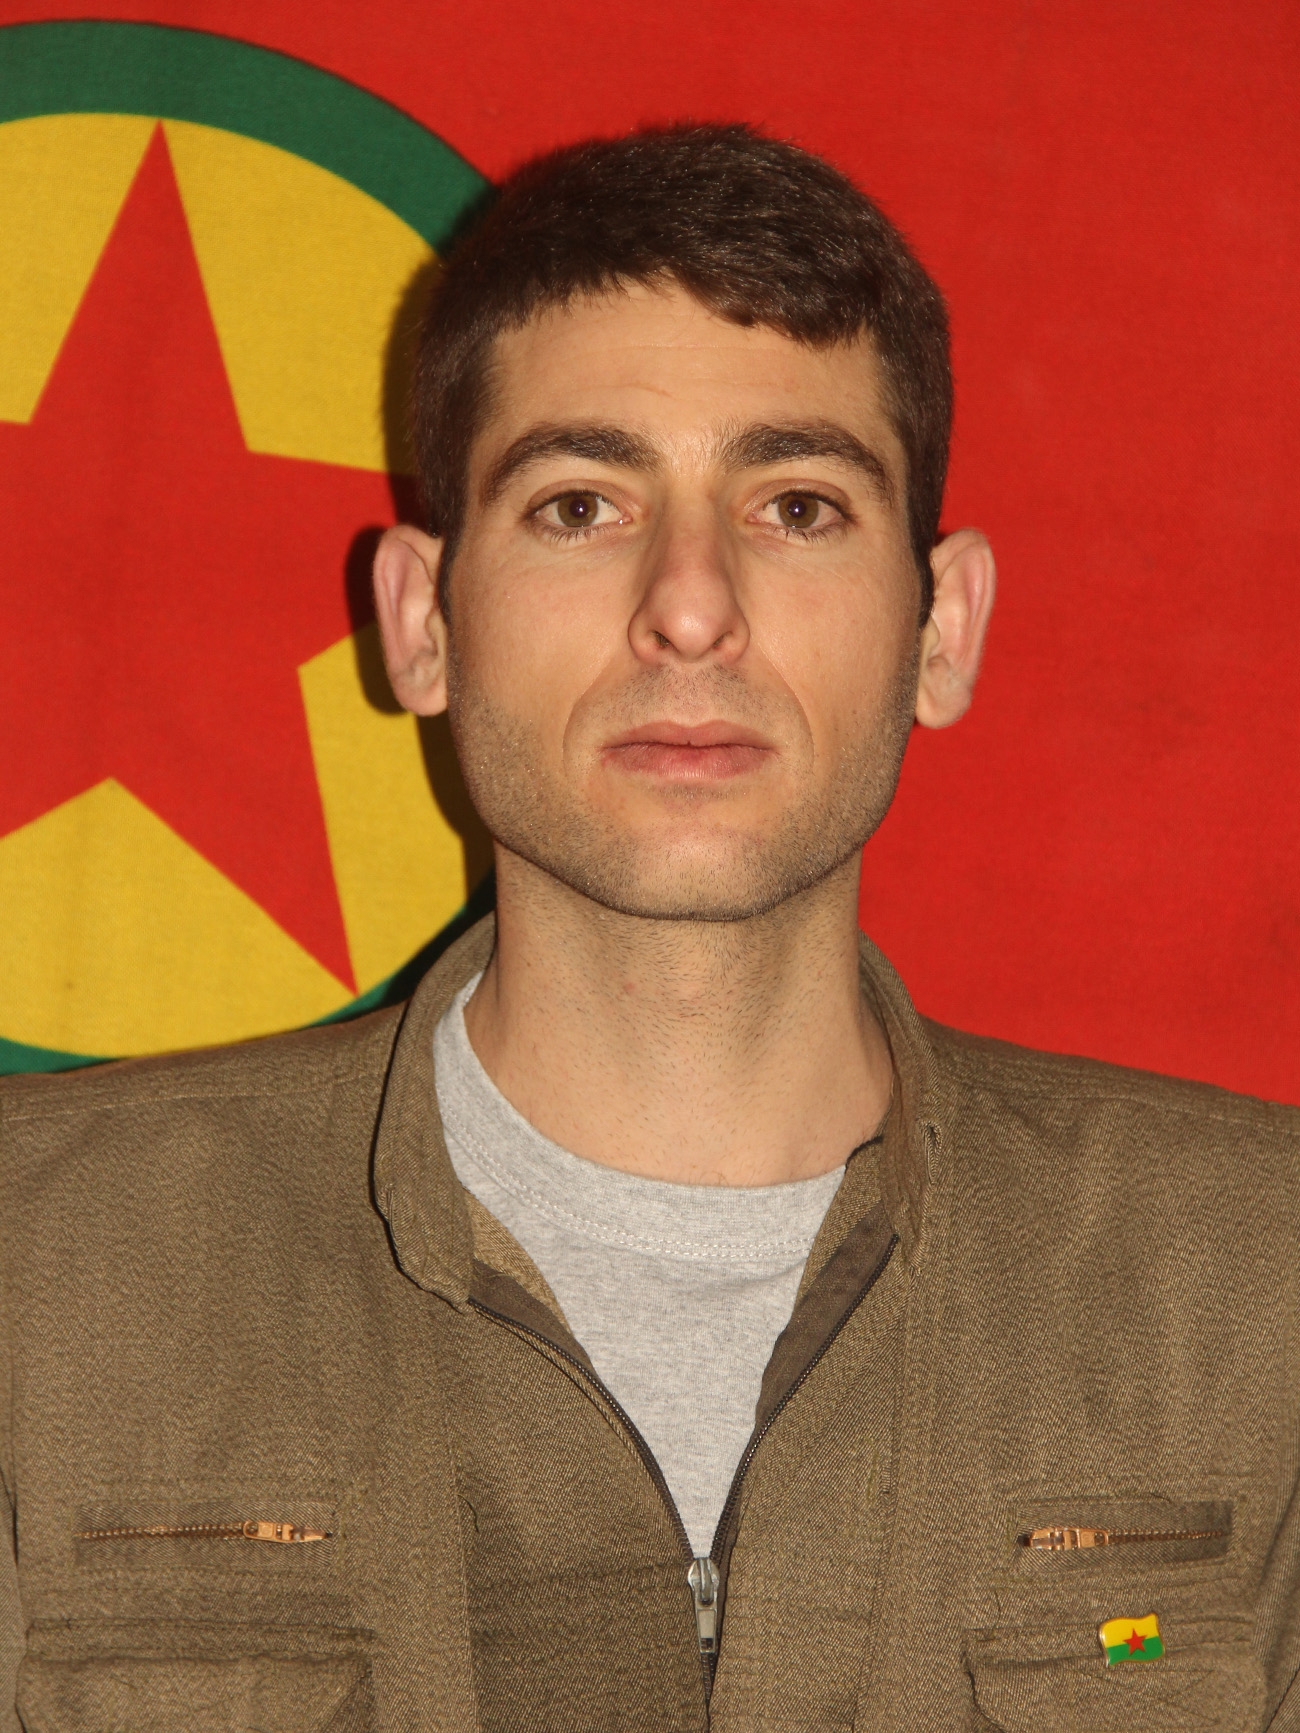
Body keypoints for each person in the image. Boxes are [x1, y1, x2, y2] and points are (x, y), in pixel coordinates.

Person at [2, 125, 1297, 1733]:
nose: (691, 605)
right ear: (422, 621)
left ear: (941, 627)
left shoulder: (1257, 1291)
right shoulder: (42, 1276)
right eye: (580, 504)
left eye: (799, 505)